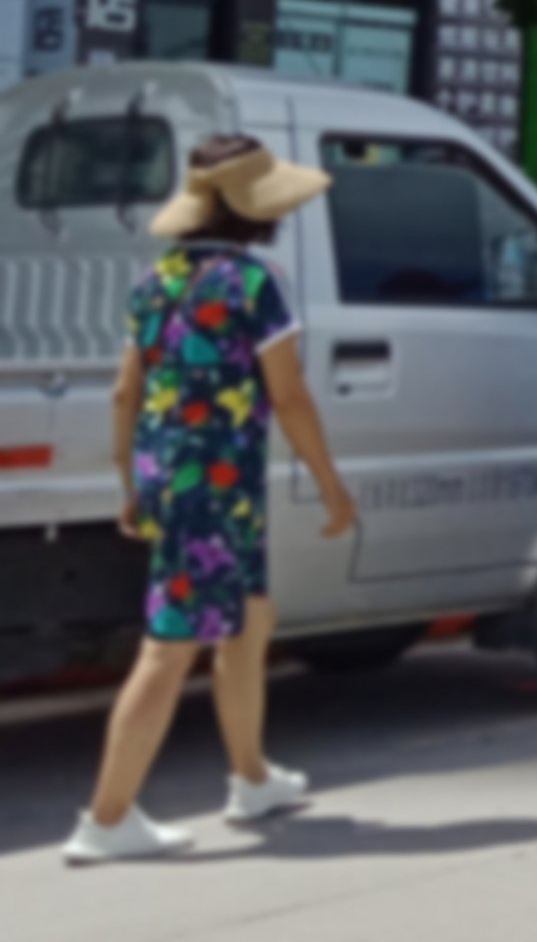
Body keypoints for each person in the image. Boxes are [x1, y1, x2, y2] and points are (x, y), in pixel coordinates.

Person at [66, 135, 359, 865]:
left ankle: (252, 779)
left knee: (250, 620)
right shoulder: (254, 283)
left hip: (172, 476)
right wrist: (331, 484)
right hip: (218, 485)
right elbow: (288, 395)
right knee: (169, 647)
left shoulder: (155, 281)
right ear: (254, 208)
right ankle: (106, 819)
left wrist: (131, 483)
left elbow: (125, 391)